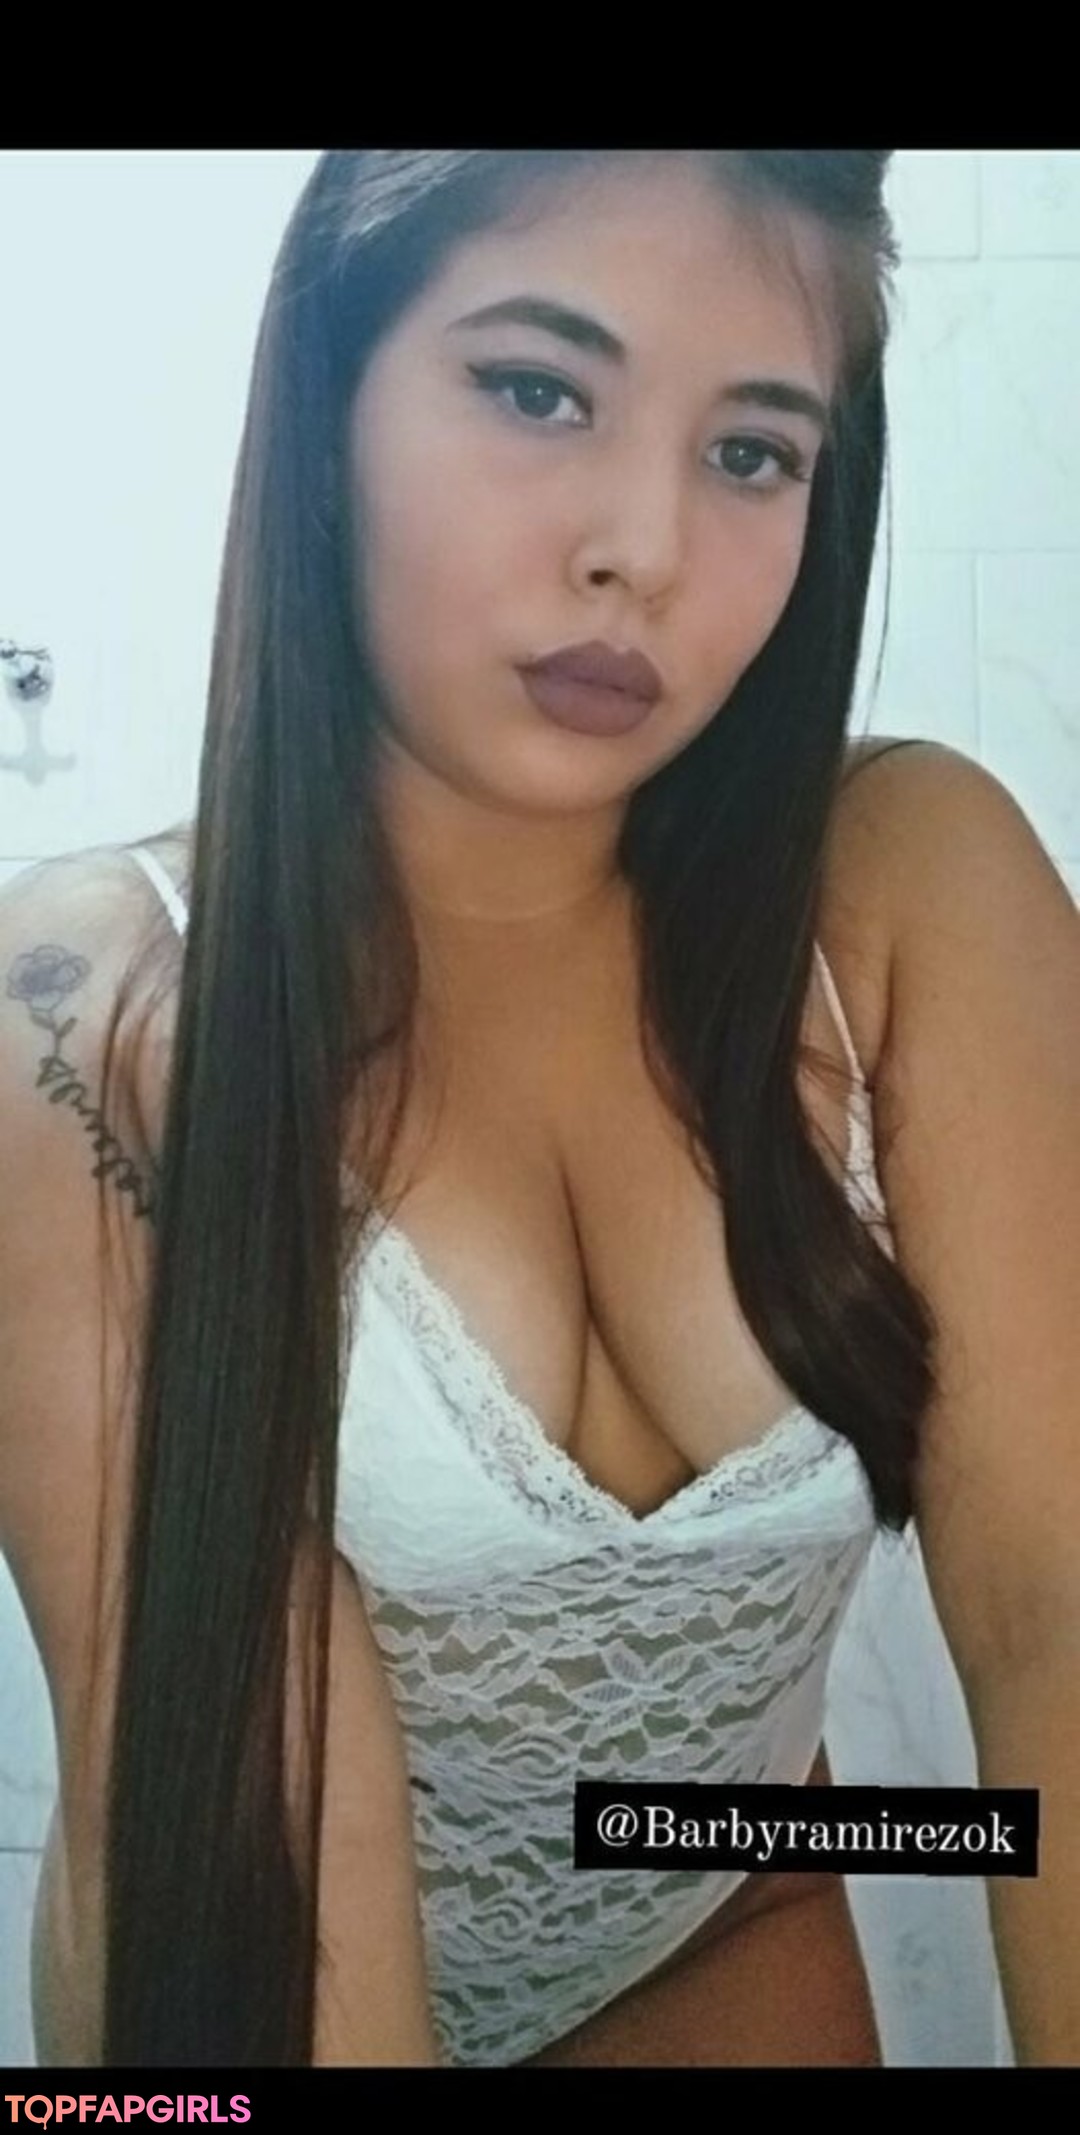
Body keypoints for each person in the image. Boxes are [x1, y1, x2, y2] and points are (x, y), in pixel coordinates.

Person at [1, 149, 1077, 2069]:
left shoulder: (912, 886)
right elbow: (271, 1839)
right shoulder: (92, 1016)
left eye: (751, 451)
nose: (642, 549)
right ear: (330, 390)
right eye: (536, 389)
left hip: (732, 1891)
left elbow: (1054, 1614)